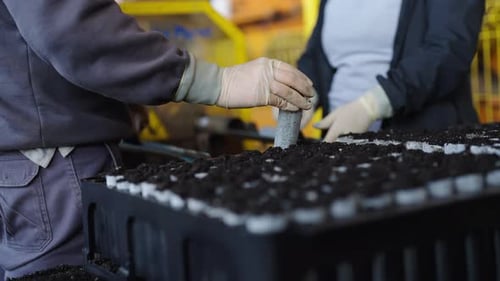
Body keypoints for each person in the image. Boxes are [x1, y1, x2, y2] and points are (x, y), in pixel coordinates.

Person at [0, 0, 314, 279]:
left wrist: (120, 100)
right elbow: (70, 29)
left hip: (28, 163)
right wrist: (218, 81)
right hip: (54, 167)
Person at [297, 0, 485, 142]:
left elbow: (450, 49)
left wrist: (372, 105)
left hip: (424, 144)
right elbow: (316, 55)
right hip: (337, 143)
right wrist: (304, 91)